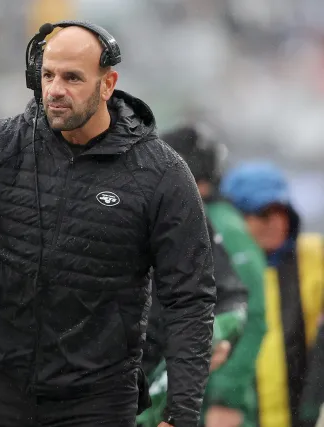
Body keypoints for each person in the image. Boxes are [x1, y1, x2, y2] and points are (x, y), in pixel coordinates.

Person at [0, 21, 216, 427]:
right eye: (48, 75)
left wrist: (183, 414)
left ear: (108, 84)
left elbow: (190, 299)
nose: (54, 90)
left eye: (72, 78)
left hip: (97, 401)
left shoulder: (162, 174)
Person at [139, 124, 267, 427]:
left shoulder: (221, 226)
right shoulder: (170, 220)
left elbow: (248, 313)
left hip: (208, 400)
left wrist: (226, 397)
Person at [221, 162, 324, 427]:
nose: (278, 223)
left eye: (284, 212)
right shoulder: (214, 271)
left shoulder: (312, 258)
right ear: (236, 218)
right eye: (265, 214)